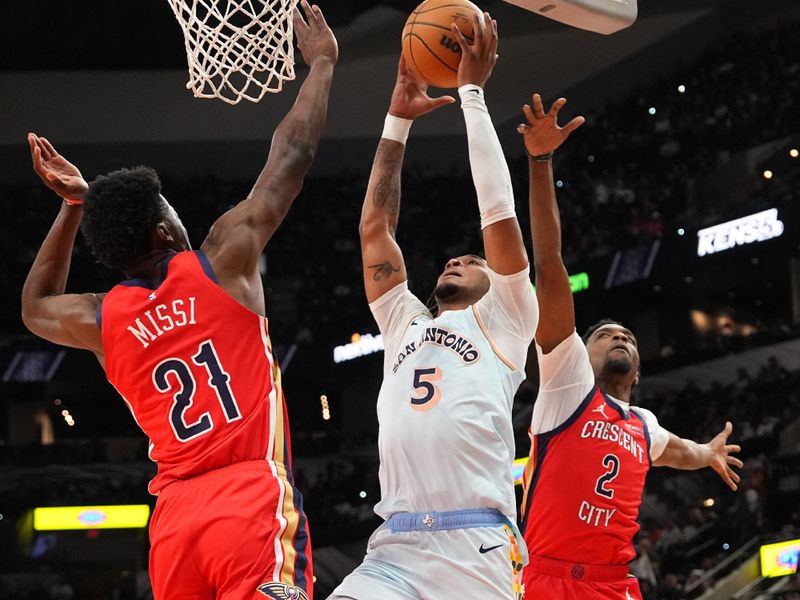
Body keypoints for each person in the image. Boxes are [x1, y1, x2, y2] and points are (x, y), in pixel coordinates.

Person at [20, 3, 336, 598]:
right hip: (248, 496)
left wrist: (72, 208)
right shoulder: (222, 261)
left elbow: (35, 306)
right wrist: (320, 64)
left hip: (173, 518)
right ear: (164, 232)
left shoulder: (101, 317)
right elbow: (290, 159)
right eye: (169, 207)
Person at [330, 12, 536, 600]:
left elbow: (497, 209)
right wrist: (396, 119)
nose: (455, 260)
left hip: (476, 549)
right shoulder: (403, 323)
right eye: (453, 259)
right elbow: (375, 226)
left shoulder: (506, 317)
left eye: (471, 261)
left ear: (494, 278)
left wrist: (471, 94)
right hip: (394, 546)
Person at [516, 93, 744, 599]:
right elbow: (550, 266)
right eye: (604, 335)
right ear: (581, 351)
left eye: (629, 338)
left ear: (637, 372)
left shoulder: (645, 426)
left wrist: (706, 454)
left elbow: (677, 452)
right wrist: (539, 160)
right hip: (548, 580)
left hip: (616, 587)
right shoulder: (566, 381)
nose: (619, 337)